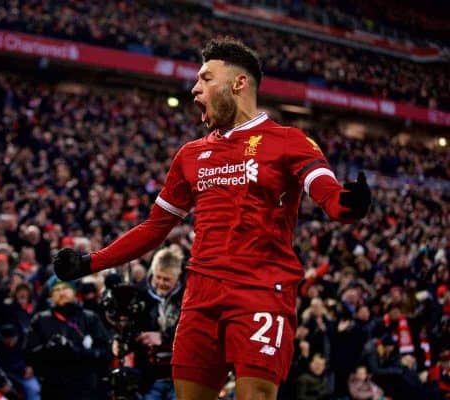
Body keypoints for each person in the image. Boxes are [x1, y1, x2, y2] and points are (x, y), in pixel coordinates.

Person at [54, 37, 371, 400]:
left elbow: (328, 193)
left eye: (206, 79)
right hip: (200, 298)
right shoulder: (191, 155)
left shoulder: (289, 141)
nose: (194, 88)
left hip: (261, 292)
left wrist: (349, 205)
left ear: (238, 83)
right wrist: (89, 262)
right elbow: (155, 227)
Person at [23, 276, 111, 400]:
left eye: (65, 288)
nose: (61, 292)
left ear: (74, 292)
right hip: (53, 388)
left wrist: (78, 351)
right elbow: (28, 354)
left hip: (86, 387)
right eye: (56, 289)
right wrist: (47, 349)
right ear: (51, 295)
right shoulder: (40, 320)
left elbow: (105, 352)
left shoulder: (89, 318)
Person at [135, 246, 185, 400]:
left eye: (167, 279)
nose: (160, 283)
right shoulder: (139, 295)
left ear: (178, 277)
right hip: (149, 377)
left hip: (179, 375)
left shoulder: (188, 296)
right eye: (158, 277)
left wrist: (163, 338)